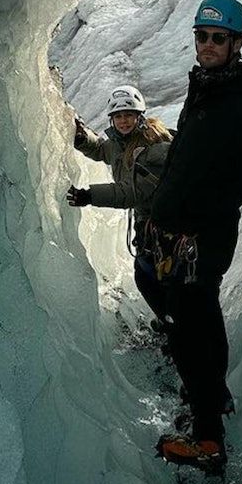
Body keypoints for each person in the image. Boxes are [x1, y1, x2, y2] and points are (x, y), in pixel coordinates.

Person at [146, 0, 242, 471]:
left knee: (187, 325)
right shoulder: (206, 86)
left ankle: (208, 437)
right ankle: (215, 396)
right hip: (183, 230)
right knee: (198, 313)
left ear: (237, 44)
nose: (208, 45)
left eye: (218, 38)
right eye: (202, 36)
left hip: (206, 233)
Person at [64, 84, 174, 324]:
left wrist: (89, 195)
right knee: (150, 274)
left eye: (128, 116)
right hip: (150, 223)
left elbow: (131, 193)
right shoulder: (122, 142)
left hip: (164, 224)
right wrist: (83, 140)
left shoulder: (152, 148)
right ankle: (169, 319)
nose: (123, 121)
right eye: (119, 117)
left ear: (139, 117)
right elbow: (104, 150)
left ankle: (172, 323)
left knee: (152, 276)